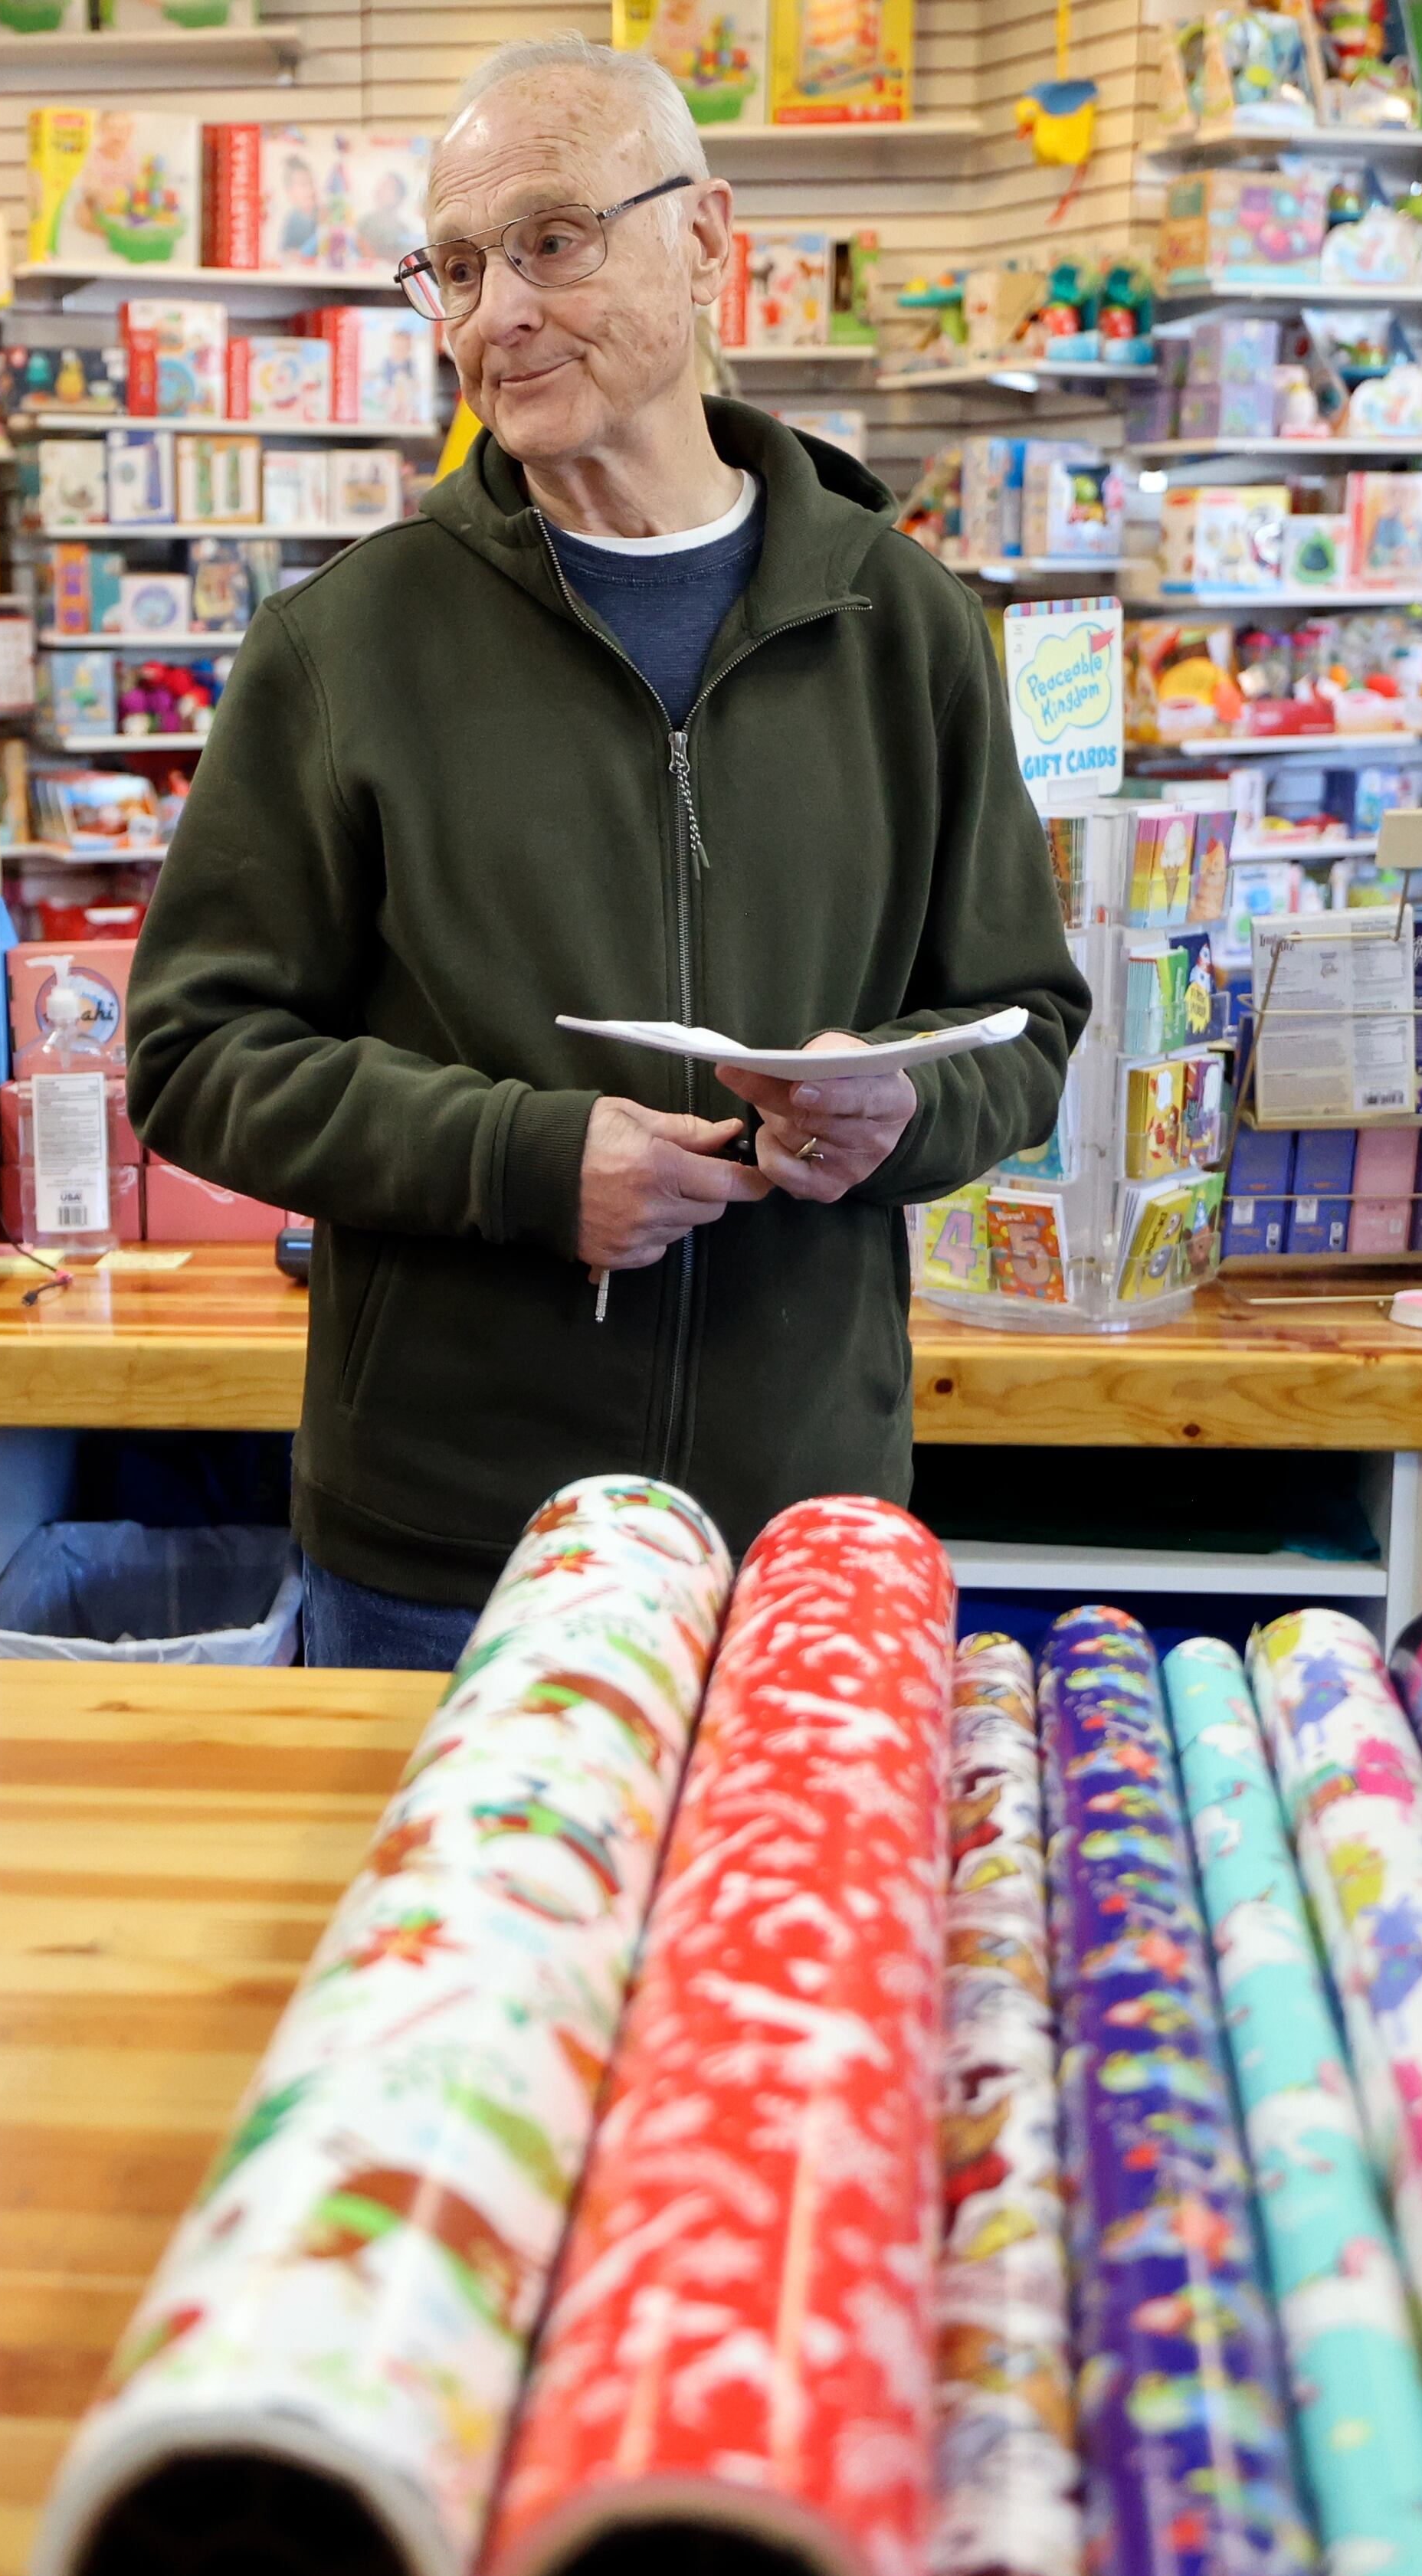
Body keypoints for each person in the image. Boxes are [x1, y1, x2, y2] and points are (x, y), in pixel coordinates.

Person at [125, 35, 1089, 1671]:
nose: (496, 312)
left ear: (707, 237)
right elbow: (194, 1054)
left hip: (798, 1531)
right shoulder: (342, 648)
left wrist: (900, 1097)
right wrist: (522, 1163)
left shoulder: (900, 623)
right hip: (450, 1549)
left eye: (552, 241)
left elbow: (1027, 1021)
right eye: (453, 266)